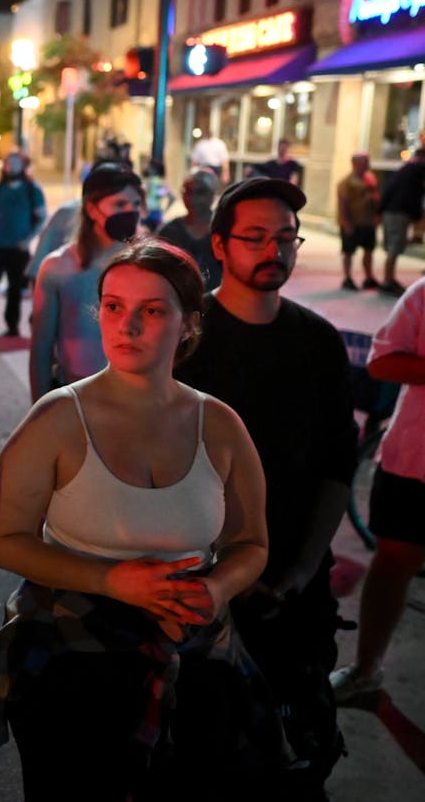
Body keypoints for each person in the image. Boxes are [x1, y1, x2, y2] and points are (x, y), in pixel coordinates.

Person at [0, 238, 282, 800]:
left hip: (195, 658)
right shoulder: (58, 417)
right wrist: (111, 580)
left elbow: (251, 542)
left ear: (187, 324)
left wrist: (218, 588)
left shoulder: (220, 425)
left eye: (151, 311)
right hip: (74, 664)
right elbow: (4, 540)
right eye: (113, 306)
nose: (127, 325)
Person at [175, 177, 356, 798]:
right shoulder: (187, 345)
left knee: (299, 756)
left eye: (285, 238)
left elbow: (339, 463)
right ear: (220, 246)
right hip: (201, 592)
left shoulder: (319, 342)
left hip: (296, 592)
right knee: (201, 756)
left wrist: (304, 569)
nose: (272, 250)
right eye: (254, 237)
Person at [331, 277, 425, 706]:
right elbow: (382, 362)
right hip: (414, 459)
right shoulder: (422, 294)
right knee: (392, 564)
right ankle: (366, 670)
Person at [29, 165, 144, 400]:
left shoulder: (144, 265)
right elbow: (41, 349)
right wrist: (39, 413)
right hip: (75, 394)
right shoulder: (57, 267)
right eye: (120, 204)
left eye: (135, 205)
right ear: (92, 209)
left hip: (132, 395)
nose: (130, 212)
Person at [0, 152, 45, 338]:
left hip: (18, 249)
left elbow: (42, 217)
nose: (12, 166)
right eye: (8, 162)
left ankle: (12, 325)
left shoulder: (32, 189)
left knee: (15, 289)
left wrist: (28, 240)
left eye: (16, 162)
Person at [158, 168, 224, 292]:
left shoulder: (225, 229)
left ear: (212, 195)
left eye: (200, 192)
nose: (193, 198)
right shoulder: (169, 231)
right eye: (188, 191)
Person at [378, 149, 424, 296]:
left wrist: (381, 210)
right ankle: (387, 281)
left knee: (394, 247)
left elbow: (389, 189)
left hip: (392, 212)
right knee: (394, 248)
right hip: (398, 214)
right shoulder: (416, 169)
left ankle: (389, 279)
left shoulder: (404, 170)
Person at [336, 152, 381, 291]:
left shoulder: (370, 179)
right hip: (353, 223)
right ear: (355, 163)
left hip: (368, 223)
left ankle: (369, 277)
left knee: (369, 250)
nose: (368, 164)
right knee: (349, 251)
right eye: (365, 161)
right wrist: (347, 223)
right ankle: (348, 277)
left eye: (368, 161)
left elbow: (376, 199)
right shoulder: (346, 182)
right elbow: (343, 204)